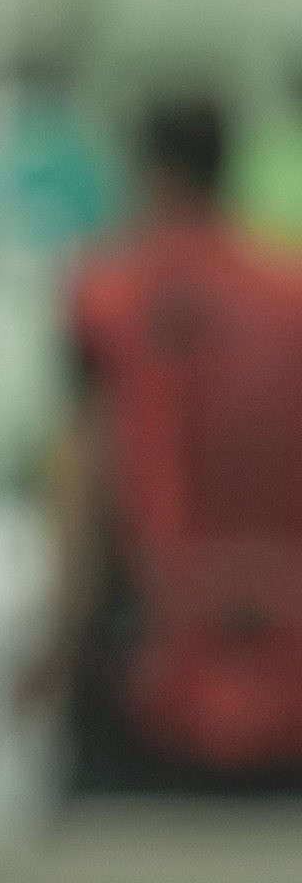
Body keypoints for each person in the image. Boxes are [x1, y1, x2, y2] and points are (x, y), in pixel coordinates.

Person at [46, 91, 302, 789]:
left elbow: (81, 476)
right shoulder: (291, 292)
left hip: (153, 668)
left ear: (149, 174)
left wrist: (55, 648)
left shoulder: (108, 296)